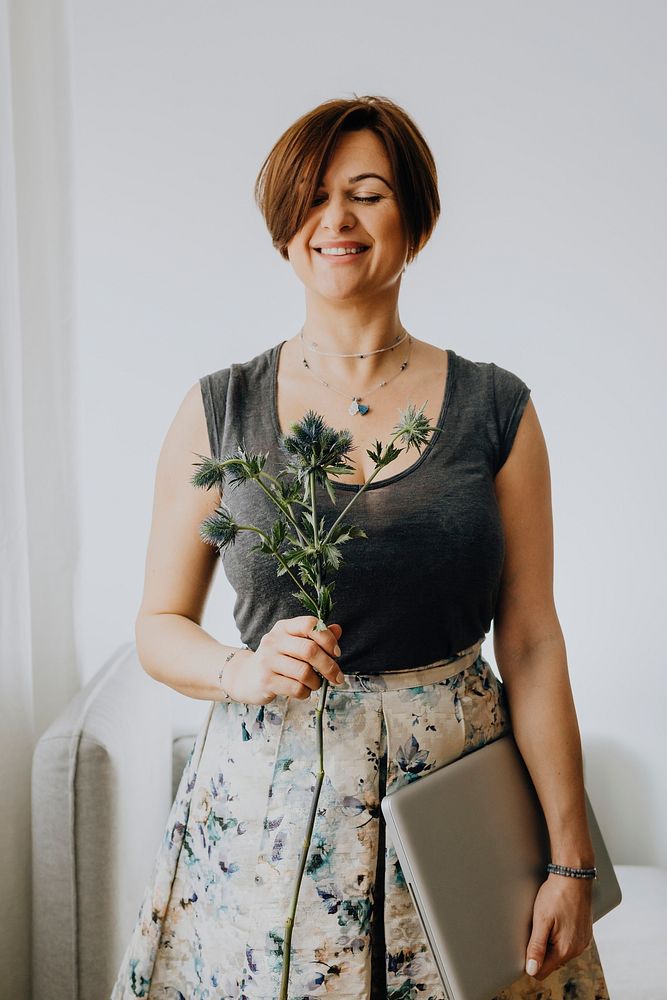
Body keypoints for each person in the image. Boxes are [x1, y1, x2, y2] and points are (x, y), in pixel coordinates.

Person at [110, 95, 610, 999]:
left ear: (413, 220)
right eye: (311, 198)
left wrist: (569, 861)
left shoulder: (497, 409)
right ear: (282, 229)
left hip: (456, 802)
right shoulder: (219, 408)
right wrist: (240, 670)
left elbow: (531, 639)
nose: (334, 220)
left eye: (367, 194)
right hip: (265, 814)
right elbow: (157, 625)